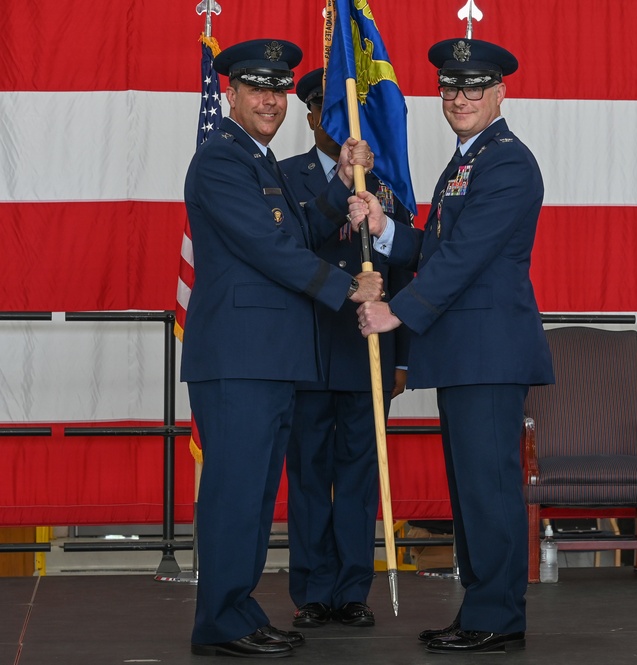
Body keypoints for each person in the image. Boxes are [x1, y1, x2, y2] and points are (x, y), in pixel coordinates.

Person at [347, 38, 554, 654]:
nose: (460, 97)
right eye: (450, 88)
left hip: (488, 351)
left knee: (488, 489)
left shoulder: (507, 161)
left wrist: (395, 312)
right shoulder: (468, 160)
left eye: (473, 87)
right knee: (471, 492)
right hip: (466, 351)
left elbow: (466, 258)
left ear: (500, 92)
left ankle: (497, 616)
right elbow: (438, 248)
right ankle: (482, 609)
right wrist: (385, 229)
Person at [182, 39, 383, 658]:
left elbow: (291, 230)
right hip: (239, 359)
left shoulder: (259, 160)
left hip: (265, 360)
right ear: (232, 94)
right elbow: (270, 250)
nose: (269, 100)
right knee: (236, 494)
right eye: (257, 89)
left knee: (252, 493)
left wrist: (341, 181)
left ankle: (236, 610)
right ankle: (221, 620)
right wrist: (351, 287)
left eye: (278, 90)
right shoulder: (221, 159)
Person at [279, 68, 413, 631]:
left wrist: (402, 355)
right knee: (309, 476)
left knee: (359, 477)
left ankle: (353, 588)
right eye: (325, 113)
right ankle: (312, 590)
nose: (334, 123)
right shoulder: (285, 177)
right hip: (306, 350)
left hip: (368, 352)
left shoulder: (388, 184)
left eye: (343, 113)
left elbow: (406, 271)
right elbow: (287, 253)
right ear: (313, 118)